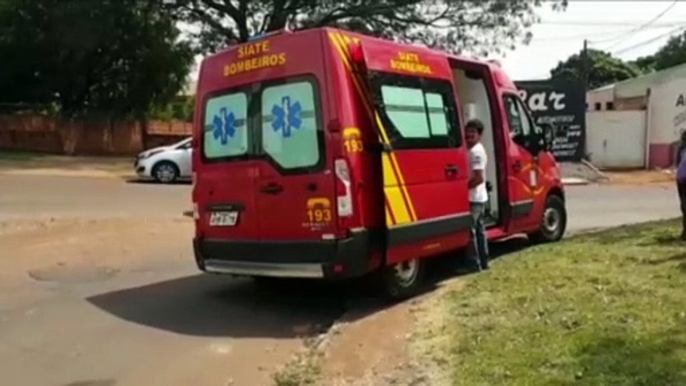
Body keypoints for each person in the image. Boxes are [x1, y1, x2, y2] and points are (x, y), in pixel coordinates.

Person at [465, 119, 490, 271]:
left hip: (474, 198)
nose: (469, 135)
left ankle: (474, 263)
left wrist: (463, 188)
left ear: (479, 135)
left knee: (470, 231)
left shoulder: (476, 152)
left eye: (473, 132)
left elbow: (479, 178)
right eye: (467, 132)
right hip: (478, 197)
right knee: (480, 231)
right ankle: (484, 261)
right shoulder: (472, 149)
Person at [676, 131, 686, 240]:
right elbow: (678, 163)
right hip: (682, 181)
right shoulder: (682, 150)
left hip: (682, 180)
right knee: (684, 206)